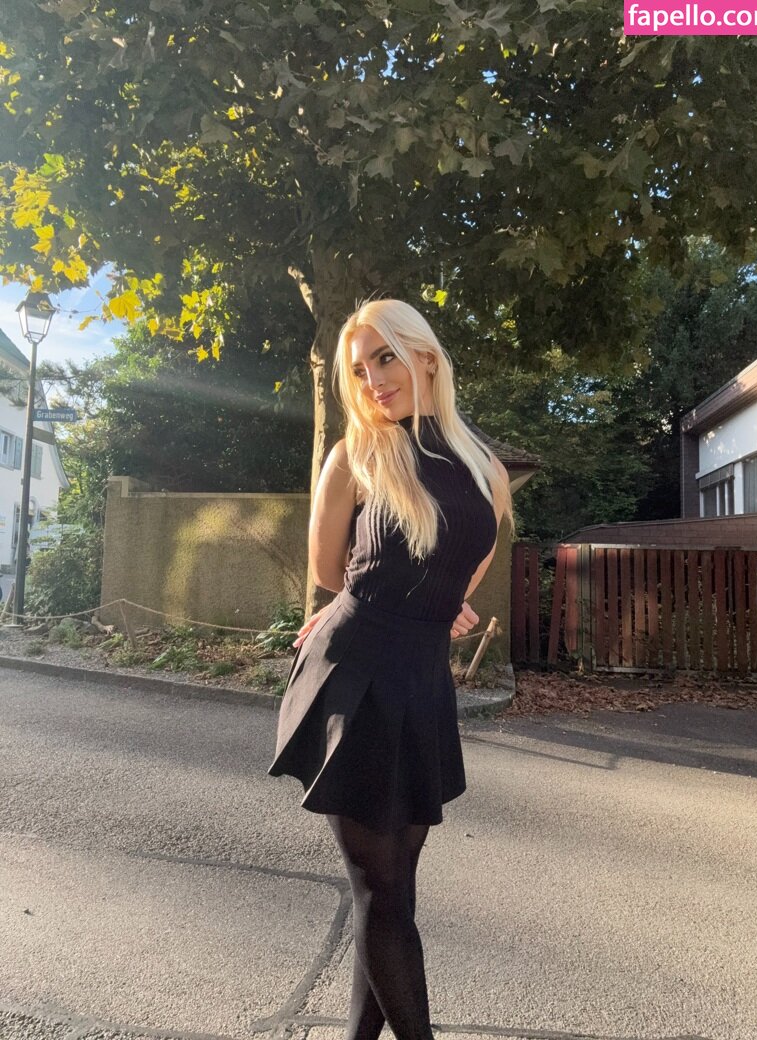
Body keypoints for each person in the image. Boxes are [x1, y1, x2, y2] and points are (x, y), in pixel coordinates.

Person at [268, 298, 515, 1040]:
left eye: (385, 358)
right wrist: (385, 598)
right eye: (359, 369)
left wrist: (441, 603)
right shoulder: (357, 455)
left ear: (425, 357)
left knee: (392, 891)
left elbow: (470, 563)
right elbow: (327, 570)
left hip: (420, 682)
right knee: (382, 890)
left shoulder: (485, 467)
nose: (373, 380)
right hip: (354, 671)